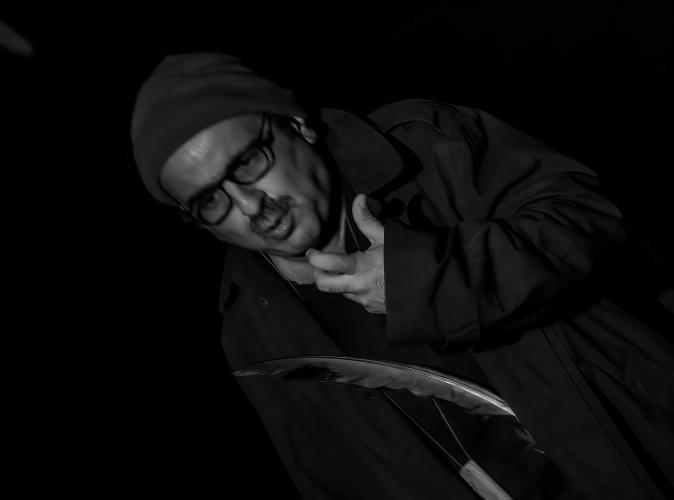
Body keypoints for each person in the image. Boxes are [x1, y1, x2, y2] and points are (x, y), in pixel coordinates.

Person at [131, 52, 673, 499]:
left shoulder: (425, 147)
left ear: (296, 124)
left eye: (247, 162)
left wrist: (424, 281)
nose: (249, 206)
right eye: (210, 202)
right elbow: (330, 478)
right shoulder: (249, 325)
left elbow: (589, 220)